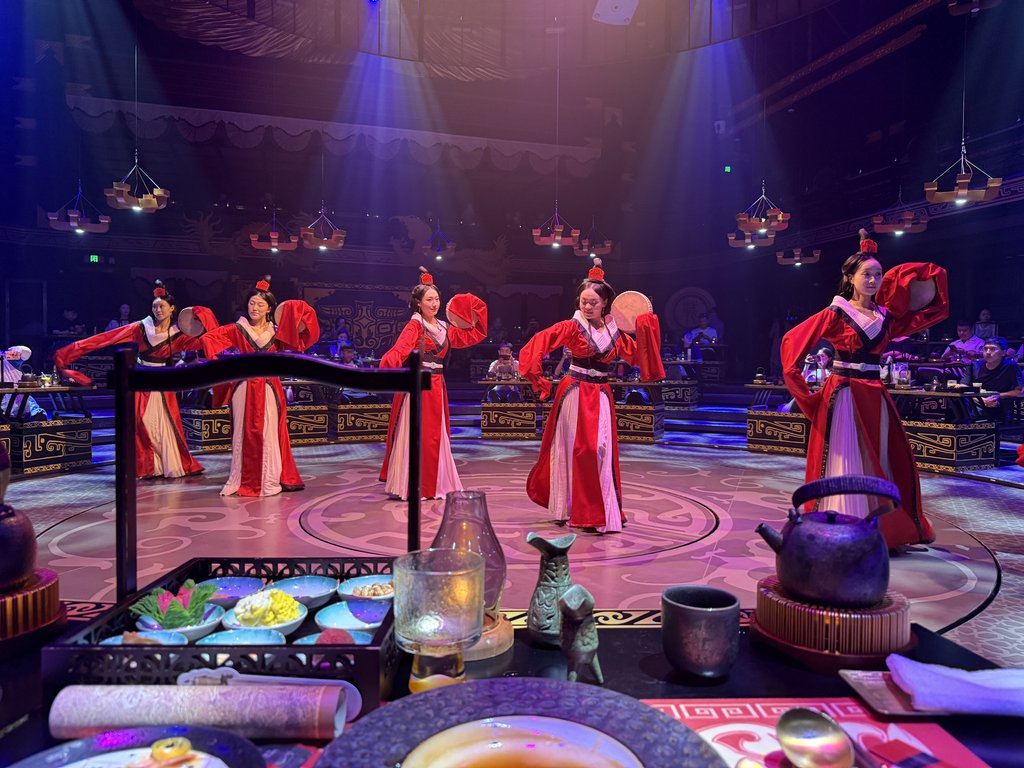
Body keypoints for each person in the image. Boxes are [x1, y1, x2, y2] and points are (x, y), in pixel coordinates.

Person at [781, 229, 949, 549]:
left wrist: (910, 278)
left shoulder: (886, 316)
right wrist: (808, 397)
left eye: (878, 275)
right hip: (844, 394)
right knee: (847, 457)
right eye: (866, 274)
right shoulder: (836, 312)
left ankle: (882, 528)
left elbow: (931, 308)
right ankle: (843, 524)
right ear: (850, 278)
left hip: (875, 395)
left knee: (882, 457)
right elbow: (792, 344)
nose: (873, 280)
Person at [519, 259, 665, 533]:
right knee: (575, 450)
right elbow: (537, 344)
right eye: (583, 301)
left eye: (593, 302)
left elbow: (640, 357)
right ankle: (572, 508)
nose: (587, 306)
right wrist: (538, 379)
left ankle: (603, 512)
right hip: (575, 392)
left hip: (600, 395)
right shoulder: (571, 327)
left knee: (600, 450)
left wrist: (646, 325)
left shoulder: (616, 332)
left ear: (605, 303)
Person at [54, 281, 213, 479]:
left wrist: (202, 316)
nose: (158, 310)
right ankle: (149, 466)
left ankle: (167, 464)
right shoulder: (141, 327)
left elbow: (207, 340)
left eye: (162, 306)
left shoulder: (178, 334)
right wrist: (71, 351)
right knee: (141, 421)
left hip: (163, 381)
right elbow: (106, 338)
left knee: (164, 422)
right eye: (154, 306)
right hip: (142, 379)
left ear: (172, 309)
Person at [200, 276, 319, 497]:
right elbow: (209, 339)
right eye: (251, 303)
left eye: (260, 304)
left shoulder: (278, 332)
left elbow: (306, 337)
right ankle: (241, 478)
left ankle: (269, 478)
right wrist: (222, 367)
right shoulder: (237, 329)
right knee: (243, 433)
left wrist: (295, 307)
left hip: (269, 386)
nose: (254, 308)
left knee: (269, 432)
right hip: (244, 386)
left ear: (269, 308)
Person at [379, 266, 488, 500]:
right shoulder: (415, 326)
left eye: (437, 299)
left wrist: (473, 307)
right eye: (429, 299)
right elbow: (400, 349)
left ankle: (436, 482)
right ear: (418, 303)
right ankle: (415, 485)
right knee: (421, 436)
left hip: (437, 386)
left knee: (436, 437)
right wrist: (386, 370)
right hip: (418, 387)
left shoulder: (444, 328)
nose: (434, 303)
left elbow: (473, 335)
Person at [958, 337, 1023, 422]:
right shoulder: (975, 365)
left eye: (993, 349)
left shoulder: (1011, 366)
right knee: (957, 402)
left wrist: (999, 395)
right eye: (985, 349)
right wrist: (981, 400)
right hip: (974, 401)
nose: (988, 352)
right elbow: (963, 387)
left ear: (1003, 352)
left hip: (997, 403)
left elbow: (1019, 391)